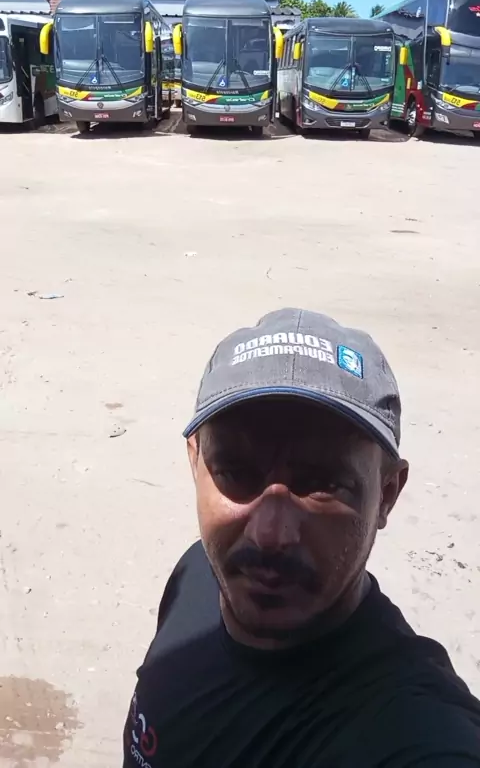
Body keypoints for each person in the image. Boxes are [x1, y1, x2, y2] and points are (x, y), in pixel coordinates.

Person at [123, 308, 480, 768]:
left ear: (387, 493)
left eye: (324, 485)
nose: (269, 535)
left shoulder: (418, 729)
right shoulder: (196, 575)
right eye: (235, 472)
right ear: (195, 462)